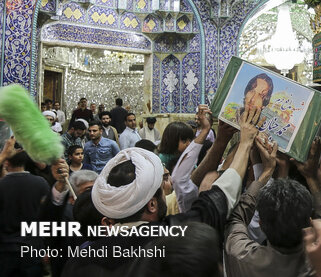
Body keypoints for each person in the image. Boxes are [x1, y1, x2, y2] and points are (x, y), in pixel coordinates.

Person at [62, 108, 264, 276]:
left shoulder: (80, 262)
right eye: (161, 189)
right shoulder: (173, 238)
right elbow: (220, 196)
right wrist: (245, 143)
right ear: (151, 204)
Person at [225, 136, 321, 277]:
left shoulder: (241, 255)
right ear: (310, 223)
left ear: (261, 224)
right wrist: (312, 177)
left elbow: (237, 218)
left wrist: (265, 171)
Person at [0, 140, 50, 277]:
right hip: (33, 249)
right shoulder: (41, 183)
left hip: (5, 250)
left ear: (7, 163)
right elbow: (46, 217)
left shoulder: (2, 185)